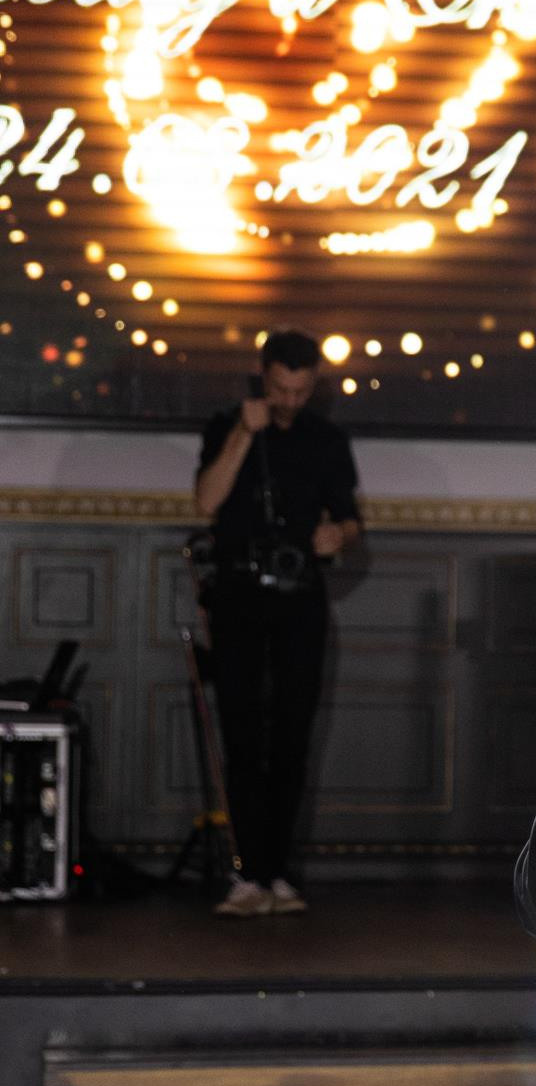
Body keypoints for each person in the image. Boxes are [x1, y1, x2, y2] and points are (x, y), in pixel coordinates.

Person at [193, 328, 361, 920]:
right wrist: (245, 432)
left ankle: (281, 872)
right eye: (281, 388)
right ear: (263, 377)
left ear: (313, 383)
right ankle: (247, 876)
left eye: (301, 390)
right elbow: (206, 502)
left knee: (292, 736)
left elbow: (350, 519)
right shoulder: (227, 425)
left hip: (300, 600)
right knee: (242, 735)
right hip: (238, 596)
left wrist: (336, 535)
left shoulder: (326, 439)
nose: (290, 400)